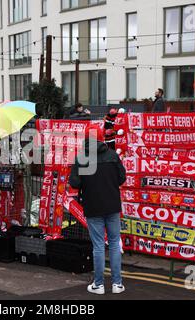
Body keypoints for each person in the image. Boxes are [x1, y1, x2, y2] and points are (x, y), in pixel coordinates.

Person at [69, 124, 126, 295]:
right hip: (112, 204)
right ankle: (117, 284)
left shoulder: (81, 158)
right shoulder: (112, 155)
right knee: (115, 243)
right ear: (101, 136)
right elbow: (122, 178)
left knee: (98, 246)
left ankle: (98, 285)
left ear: (86, 138)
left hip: (93, 205)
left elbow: (74, 183)